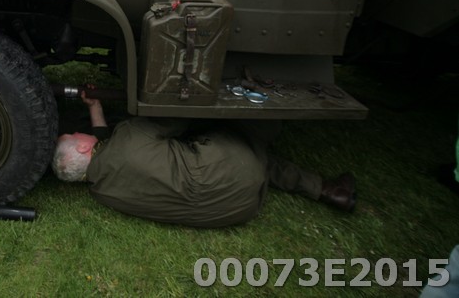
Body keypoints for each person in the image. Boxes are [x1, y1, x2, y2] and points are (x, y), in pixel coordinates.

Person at [52, 88, 357, 227]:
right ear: (82, 148)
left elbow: (108, 148)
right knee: (227, 135)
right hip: (233, 170)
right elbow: (178, 115)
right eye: (73, 135)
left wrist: (95, 108)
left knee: (250, 160)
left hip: (238, 210)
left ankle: (329, 191)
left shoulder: (101, 191)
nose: (78, 132)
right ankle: (276, 119)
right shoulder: (130, 137)